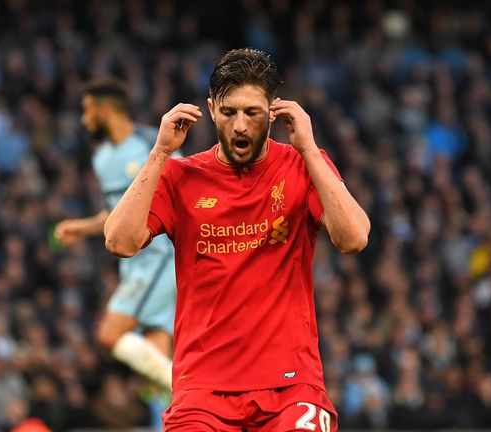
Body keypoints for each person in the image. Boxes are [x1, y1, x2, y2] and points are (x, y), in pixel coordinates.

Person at [103, 48, 370, 431]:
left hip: (292, 389)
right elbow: (119, 241)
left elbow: (354, 238)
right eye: (229, 112)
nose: (240, 126)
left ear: (273, 111)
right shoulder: (182, 176)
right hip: (202, 392)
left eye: (252, 112)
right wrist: (160, 153)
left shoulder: (302, 164)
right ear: (212, 110)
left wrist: (308, 147)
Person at [54, 80, 175, 390]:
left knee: (109, 335)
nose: (84, 120)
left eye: (87, 111)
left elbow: (180, 194)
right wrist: (81, 228)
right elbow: (120, 214)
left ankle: (191, 390)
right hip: (135, 263)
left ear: (105, 110)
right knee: (156, 361)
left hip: (159, 258)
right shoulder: (103, 158)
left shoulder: (152, 143)